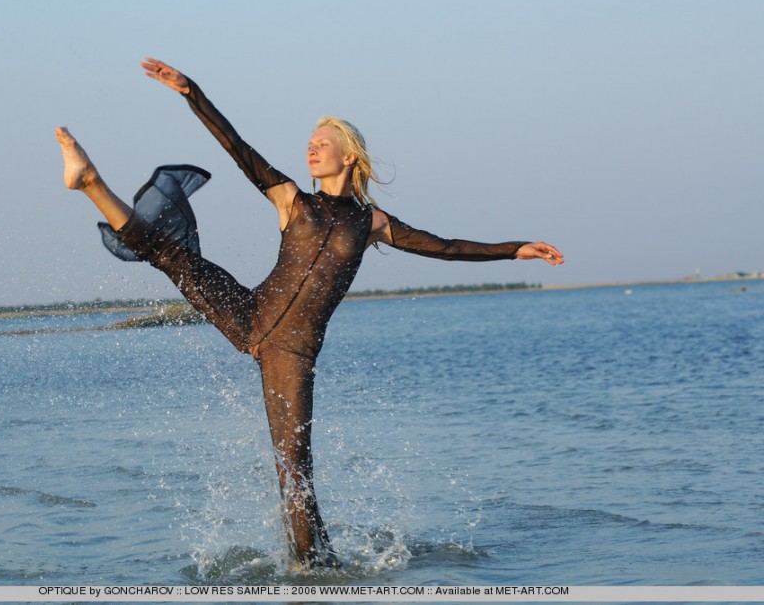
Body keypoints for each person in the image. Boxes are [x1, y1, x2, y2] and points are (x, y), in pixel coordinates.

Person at [55, 57, 564, 569]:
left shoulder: (372, 223)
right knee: (173, 256)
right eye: (310, 142)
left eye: (323, 142)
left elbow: (447, 247)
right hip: (249, 312)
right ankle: (91, 181)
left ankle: (309, 568)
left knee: (293, 465)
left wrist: (516, 248)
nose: (312, 148)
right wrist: (191, 91)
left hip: (292, 353)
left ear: (350, 156)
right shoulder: (290, 199)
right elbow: (236, 147)